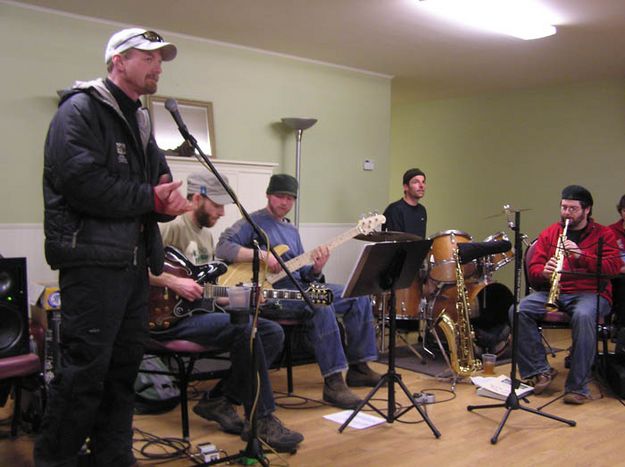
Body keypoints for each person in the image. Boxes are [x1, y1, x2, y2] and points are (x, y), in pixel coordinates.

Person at [37, 28, 190, 466]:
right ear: (118, 61)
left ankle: (114, 458)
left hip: (133, 266)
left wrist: (167, 205)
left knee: (123, 374)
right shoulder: (80, 110)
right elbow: (81, 184)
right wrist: (150, 198)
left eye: (161, 59)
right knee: (84, 375)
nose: (158, 66)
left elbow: (154, 190)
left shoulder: (142, 121)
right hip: (91, 264)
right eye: (149, 57)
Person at [150, 172, 303, 452]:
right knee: (247, 331)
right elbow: (135, 267)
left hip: (199, 314)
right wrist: (172, 281)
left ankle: (219, 399)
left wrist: (241, 299)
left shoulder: (206, 236)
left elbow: (209, 293)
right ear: (197, 198)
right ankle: (262, 419)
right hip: (167, 319)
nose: (222, 213)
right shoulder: (170, 226)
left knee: (269, 331)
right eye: (216, 206)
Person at [216, 174, 381, 409]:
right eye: (280, 196)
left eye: (290, 198)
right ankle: (334, 382)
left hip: (299, 285)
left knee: (357, 294)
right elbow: (222, 246)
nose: (285, 202)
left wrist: (316, 268)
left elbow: (304, 274)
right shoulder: (252, 222)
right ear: (268, 195)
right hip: (272, 293)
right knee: (320, 303)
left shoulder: (291, 230)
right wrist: (262, 255)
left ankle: (359, 367)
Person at [514, 185, 623, 404]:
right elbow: (534, 271)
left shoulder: (604, 234)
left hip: (592, 293)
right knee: (518, 310)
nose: (566, 213)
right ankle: (538, 370)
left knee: (583, 316)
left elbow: (613, 267)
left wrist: (581, 255)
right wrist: (543, 272)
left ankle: (578, 387)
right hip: (556, 291)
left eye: (572, 209)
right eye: (564, 207)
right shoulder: (551, 233)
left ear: (587, 210)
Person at [382, 168, 427, 238]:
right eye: (416, 182)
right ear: (406, 187)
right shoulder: (395, 210)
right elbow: (393, 243)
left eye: (423, 182)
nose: (421, 185)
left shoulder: (422, 210)